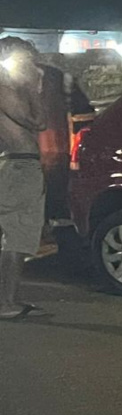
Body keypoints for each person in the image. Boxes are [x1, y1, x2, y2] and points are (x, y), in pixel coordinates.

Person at [0, 37, 47, 320]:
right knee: (19, 234)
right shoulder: (5, 89)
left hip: (13, 164)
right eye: (25, 58)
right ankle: (7, 303)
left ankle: (6, 300)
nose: (30, 64)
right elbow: (37, 122)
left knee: (10, 233)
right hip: (21, 166)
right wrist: (32, 88)